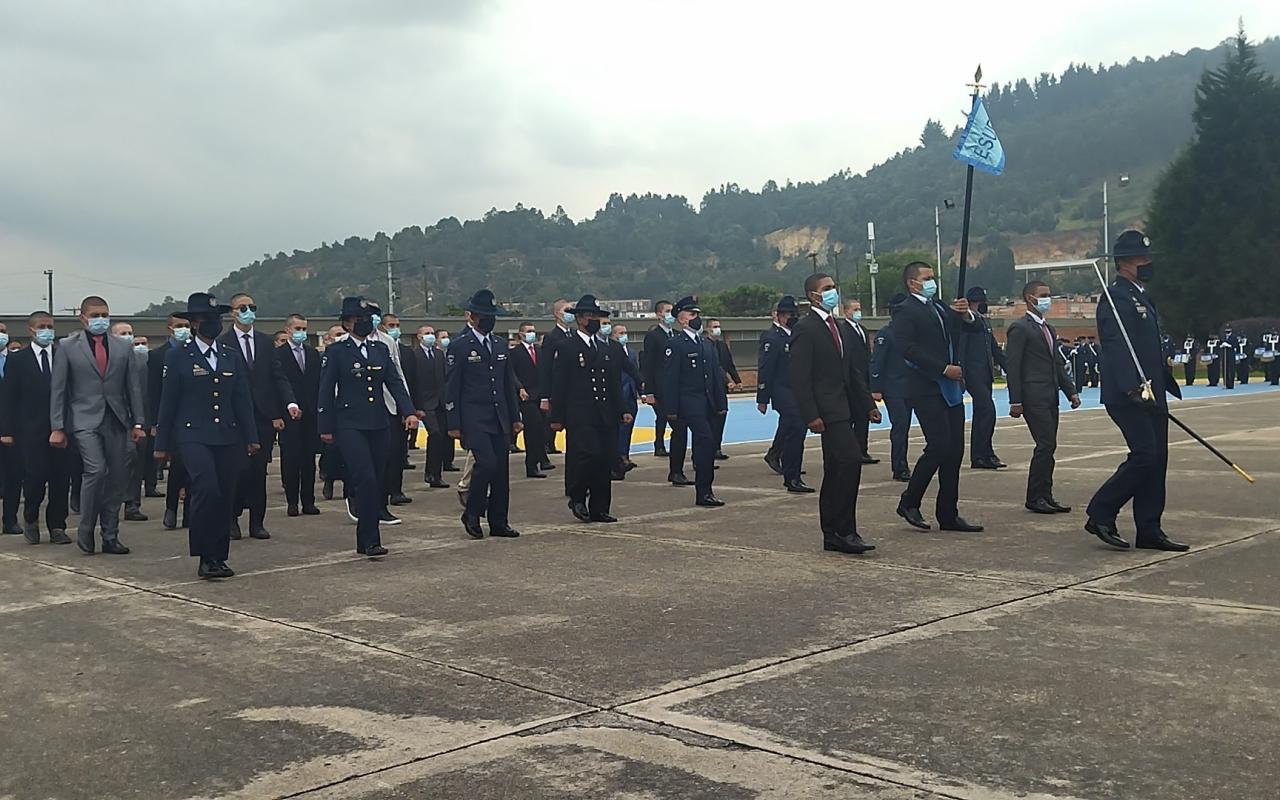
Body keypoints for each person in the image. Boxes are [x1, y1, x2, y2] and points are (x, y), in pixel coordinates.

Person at [1085, 230, 1187, 552]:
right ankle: (1101, 511)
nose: (1148, 263)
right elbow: (1115, 346)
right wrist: (1133, 387)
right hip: (1129, 394)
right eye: (1142, 259)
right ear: (1126, 263)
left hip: (1152, 392)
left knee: (1158, 460)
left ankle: (1149, 528)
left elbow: (1147, 347)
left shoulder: (1141, 295)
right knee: (1145, 456)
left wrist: (1162, 382)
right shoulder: (1115, 298)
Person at [154, 293, 259, 579]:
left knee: (225, 493)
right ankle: (203, 555)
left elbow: (241, 400)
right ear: (195, 323)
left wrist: (252, 436)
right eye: (207, 319)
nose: (214, 323)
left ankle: (218, 556)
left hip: (227, 434)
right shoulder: (178, 356)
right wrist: (161, 443)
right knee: (206, 488)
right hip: (192, 434)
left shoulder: (230, 356)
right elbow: (169, 401)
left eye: (218, 318)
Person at [318, 297, 418, 557]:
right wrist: (325, 426)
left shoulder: (380, 349)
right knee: (365, 478)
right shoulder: (337, 351)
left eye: (368, 319)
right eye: (359, 319)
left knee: (377, 478)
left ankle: (367, 537)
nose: (364, 323)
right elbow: (326, 391)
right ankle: (370, 538)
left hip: (378, 422)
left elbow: (394, 382)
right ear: (348, 323)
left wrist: (408, 410)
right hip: (350, 424)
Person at [49, 295, 147, 555]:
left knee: (117, 476)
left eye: (104, 315)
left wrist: (138, 422)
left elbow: (133, 388)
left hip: (116, 418)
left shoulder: (122, 347)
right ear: (83, 318)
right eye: (95, 316)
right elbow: (58, 389)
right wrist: (57, 426)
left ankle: (110, 534)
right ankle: (86, 528)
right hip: (83, 419)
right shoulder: (68, 346)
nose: (100, 320)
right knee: (96, 470)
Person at [791, 273, 881, 554]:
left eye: (833, 287)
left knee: (836, 469)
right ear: (812, 295)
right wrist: (810, 415)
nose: (833, 292)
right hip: (827, 411)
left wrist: (868, 404)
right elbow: (800, 376)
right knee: (851, 462)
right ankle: (845, 530)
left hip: (847, 407)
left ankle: (833, 532)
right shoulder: (806, 329)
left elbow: (852, 372)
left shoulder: (839, 327)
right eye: (826, 289)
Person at [892, 263, 984, 533]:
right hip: (926, 386)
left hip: (950, 389)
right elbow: (907, 348)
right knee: (939, 446)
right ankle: (910, 500)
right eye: (927, 278)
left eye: (933, 277)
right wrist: (943, 368)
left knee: (955, 450)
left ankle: (948, 512)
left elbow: (972, 327)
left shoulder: (941, 307)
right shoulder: (906, 311)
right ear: (912, 283)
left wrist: (965, 313)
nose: (932, 282)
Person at [219, 293, 298, 540]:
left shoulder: (265, 342)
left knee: (257, 472)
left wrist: (288, 403)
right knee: (236, 471)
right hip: (235, 418)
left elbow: (277, 376)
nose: (248, 311)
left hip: (263, 417)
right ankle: (232, 520)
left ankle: (257, 522)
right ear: (232, 312)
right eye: (242, 307)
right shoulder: (224, 342)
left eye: (252, 307)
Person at [446, 290, 522, 539]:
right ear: (472, 316)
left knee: (501, 470)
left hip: (499, 416)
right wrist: (454, 422)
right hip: (474, 417)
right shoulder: (460, 346)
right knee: (486, 464)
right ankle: (472, 512)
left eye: (491, 315)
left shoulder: (499, 345)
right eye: (483, 316)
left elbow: (507, 384)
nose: (488, 320)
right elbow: (452, 387)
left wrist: (515, 417)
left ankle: (499, 521)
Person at [550, 295, 630, 522]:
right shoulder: (567, 347)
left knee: (604, 459)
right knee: (585, 456)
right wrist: (557, 416)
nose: (595, 320)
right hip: (580, 413)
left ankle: (600, 507)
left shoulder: (606, 348)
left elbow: (613, 382)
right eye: (591, 316)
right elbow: (560, 384)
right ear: (580, 319)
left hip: (605, 412)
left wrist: (622, 409)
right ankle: (577, 497)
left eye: (597, 316)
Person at [1006, 281, 1080, 515]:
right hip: (1033, 396)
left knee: (1050, 446)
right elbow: (1013, 366)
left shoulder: (1048, 328)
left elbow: (1055, 362)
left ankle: (1046, 495)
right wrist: (1015, 400)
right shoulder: (1020, 328)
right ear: (1030, 298)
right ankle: (1035, 496)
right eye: (1043, 295)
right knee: (1045, 444)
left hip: (1050, 395)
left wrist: (1071, 390)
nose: (1049, 299)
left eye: (1049, 295)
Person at [0, 312, 71, 544]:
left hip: (60, 427)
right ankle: (30, 516)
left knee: (61, 479)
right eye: (42, 326)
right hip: (30, 430)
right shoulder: (18, 359)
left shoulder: (62, 355)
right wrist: (7, 431)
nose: (47, 330)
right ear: (31, 329)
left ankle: (57, 525)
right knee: (35, 477)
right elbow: (8, 397)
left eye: (50, 326)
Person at [657, 296, 727, 507]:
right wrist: (671, 409)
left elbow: (715, 376)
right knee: (705, 440)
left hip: (707, 403)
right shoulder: (676, 344)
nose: (696, 318)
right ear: (681, 319)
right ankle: (704, 491)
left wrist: (721, 404)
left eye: (697, 314)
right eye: (692, 314)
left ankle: (705, 490)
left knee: (706, 445)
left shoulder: (706, 344)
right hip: (689, 402)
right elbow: (670, 379)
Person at [756, 296, 809, 492]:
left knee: (793, 428)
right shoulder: (772, 337)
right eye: (787, 315)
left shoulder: (797, 334)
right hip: (782, 390)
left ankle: (786, 464)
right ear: (778, 316)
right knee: (797, 425)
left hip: (798, 390)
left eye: (794, 315)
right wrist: (762, 398)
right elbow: (766, 368)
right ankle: (791, 476)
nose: (791, 318)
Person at [148, 313, 192, 530]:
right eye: (178, 326)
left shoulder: (194, 353)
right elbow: (154, 393)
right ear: (169, 329)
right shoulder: (158, 356)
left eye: (186, 325)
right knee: (178, 465)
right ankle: (171, 508)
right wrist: (155, 424)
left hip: (191, 418)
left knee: (192, 467)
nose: (183, 329)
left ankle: (190, 511)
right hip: (170, 420)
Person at [275, 314, 321, 516]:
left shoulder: (312, 354)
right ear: (288, 330)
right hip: (288, 415)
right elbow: (276, 385)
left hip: (310, 414)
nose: (301, 333)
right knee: (291, 459)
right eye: (298, 329)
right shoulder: (277, 354)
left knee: (309, 459)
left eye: (304, 329)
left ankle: (308, 501)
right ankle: (292, 502)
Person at [959, 287, 1009, 471]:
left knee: (983, 414)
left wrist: (1009, 368)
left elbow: (994, 349)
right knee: (987, 411)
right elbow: (962, 349)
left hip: (985, 373)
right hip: (972, 373)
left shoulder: (984, 323)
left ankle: (982, 454)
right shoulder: (967, 322)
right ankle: (982, 453)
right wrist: (961, 373)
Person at [869, 294, 913, 482]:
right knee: (900, 426)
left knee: (906, 426)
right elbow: (877, 362)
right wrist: (876, 388)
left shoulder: (910, 332)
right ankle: (899, 466)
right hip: (893, 387)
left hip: (910, 386)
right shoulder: (885, 334)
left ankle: (903, 463)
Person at [374, 312, 414, 510]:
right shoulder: (344, 344)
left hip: (391, 405)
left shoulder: (388, 342)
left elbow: (397, 376)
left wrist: (407, 408)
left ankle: (395, 492)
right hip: (365, 409)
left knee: (396, 450)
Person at [111, 320, 150, 522]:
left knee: (136, 461)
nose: (128, 337)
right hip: (113, 420)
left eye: (130, 333)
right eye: (122, 333)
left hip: (136, 421)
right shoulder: (107, 360)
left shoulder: (142, 360)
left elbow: (144, 393)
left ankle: (132, 504)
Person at [410, 325, 452, 488]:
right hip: (424, 403)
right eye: (426, 334)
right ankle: (431, 473)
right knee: (434, 434)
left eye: (432, 334)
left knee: (441, 436)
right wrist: (416, 405)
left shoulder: (439, 354)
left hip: (440, 402)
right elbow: (414, 382)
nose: (431, 336)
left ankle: (436, 473)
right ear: (419, 337)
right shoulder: (414, 355)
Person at [839, 298, 878, 465]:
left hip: (864, 378)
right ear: (846, 311)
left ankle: (862, 450)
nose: (858, 312)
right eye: (855, 309)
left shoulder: (862, 329)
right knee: (853, 418)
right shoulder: (843, 329)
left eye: (859, 308)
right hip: (851, 380)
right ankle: (852, 451)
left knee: (864, 417)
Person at [509, 322, 550, 479]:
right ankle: (531, 465)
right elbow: (511, 373)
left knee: (541, 428)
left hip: (541, 395)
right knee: (532, 429)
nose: (532, 333)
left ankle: (542, 458)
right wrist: (519, 388)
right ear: (521, 334)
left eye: (533, 331)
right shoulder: (515, 353)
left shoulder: (540, 351)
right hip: (526, 396)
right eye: (528, 331)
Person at [642, 300, 680, 461]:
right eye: (668, 311)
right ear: (659, 315)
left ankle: (666, 445)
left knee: (674, 416)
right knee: (663, 416)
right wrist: (649, 391)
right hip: (659, 385)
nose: (671, 315)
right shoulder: (653, 336)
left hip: (675, 385)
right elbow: (649, 364)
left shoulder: (677, 335)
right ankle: (659, 445)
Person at [538, 299, 573, 461]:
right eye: (567, 310)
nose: (570, 313)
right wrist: (545, 395)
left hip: (571, 387)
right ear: (557, 314)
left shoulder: (573, 334)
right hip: (555, 386)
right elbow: (545, 366)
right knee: (552, 420)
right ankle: (547, 446)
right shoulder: (552, 337)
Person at [706, 318, 740, 460]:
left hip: (721, 388)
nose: (717, 329)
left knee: (721, 417)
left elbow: (728, 364)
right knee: (709, 420)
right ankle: (708, 449)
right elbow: (715, 367)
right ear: (707, 329)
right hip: (709, 387)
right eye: (714, 326)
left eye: (719, 326)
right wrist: (727, 380)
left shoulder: (722, 346)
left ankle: (716, 448)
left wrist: (737, 380)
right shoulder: (705, 345)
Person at [611, 323, 641, 475]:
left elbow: (635, 372)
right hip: (619, 393)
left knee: (629, 427)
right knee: (619, 428)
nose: (624, 335)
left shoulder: (632, 352)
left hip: (631, 393)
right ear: (613, 335)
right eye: (620, 333)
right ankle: (618, 458)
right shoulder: (611, 351)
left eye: (625, 332)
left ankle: (625, 455)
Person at [0, 322, 21, 536]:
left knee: (13, 476)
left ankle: (10, 519)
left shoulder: (17, 361)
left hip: (12, 429)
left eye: (4, 331)